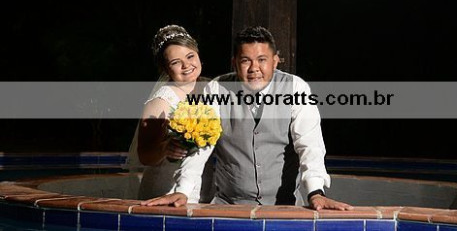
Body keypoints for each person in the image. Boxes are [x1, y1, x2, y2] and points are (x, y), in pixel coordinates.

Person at [144, 26, 352, 211]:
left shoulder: (296, 88)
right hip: (228, 207)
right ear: (234, 63)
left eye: (262, 60)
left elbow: (310, 145)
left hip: (285, 207)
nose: (254, 68)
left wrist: (315, 192)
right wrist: (182, 190)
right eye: (245, 61)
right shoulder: (216, 89)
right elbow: (201, 146)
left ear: (275, 61)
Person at [125, 24, 214, 202]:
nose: (186, 65)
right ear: (165, 69)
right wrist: (165, 148)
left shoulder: (210, 88)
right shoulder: (161, 102)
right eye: (175, 62)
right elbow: (144, 156)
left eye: (190, 56)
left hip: (200, 188)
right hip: (164, 191)